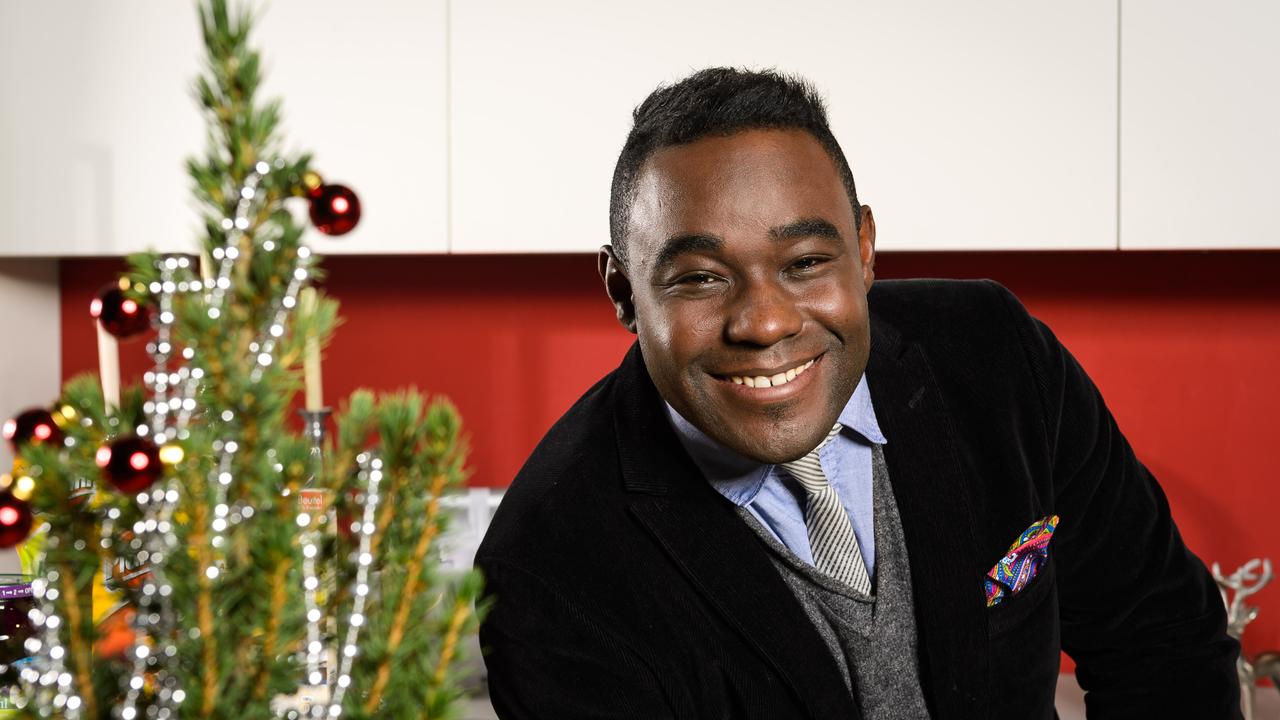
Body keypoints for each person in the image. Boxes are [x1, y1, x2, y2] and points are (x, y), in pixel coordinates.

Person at [475, 68, 1240, 718]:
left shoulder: (996, 355)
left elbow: (1163, 641)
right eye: (700, 278)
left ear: (864, 249)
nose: (765, 322)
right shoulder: (550, 571)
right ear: (623, 291)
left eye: (806, 262)